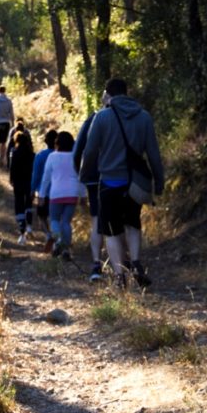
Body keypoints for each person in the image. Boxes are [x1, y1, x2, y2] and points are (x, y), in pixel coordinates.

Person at [78, 78, 164, 287]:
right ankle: (135, 262)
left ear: (108, 93)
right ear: (127, 92)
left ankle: (119, 276)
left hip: (109, 182)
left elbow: (89, 151)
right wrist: (159, 181)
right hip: (135, 183)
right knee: (133, 223)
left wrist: (84, 174)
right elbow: (153, 153)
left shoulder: (102, 117)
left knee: (111, 229)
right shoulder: (144, 117)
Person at [40, 131, 85, 260]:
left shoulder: (52, 157)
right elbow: (80, 177)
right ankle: (66, 250)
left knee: (54, 219)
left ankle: (58, 240)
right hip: (72, 194)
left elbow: (46, 178)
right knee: (66, 222)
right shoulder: (76, 157)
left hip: (56, 194)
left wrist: (42, 195)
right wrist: (83, 195)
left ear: (57, 143)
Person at [74, 106, 106, 282]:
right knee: (120, 221)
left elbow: (79, 150)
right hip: (123, 177)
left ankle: (96, 264)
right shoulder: (133, 115)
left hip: (95, 179)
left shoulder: (94, 118)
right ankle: (127, 264)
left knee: (97, 222)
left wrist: (83, 175)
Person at [32, 129, 59, 251]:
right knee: (56, 218)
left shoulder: (40, 155)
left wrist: (32, 189)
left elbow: (36, 174)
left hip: (44, 192)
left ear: (46, 141)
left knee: (42, 216)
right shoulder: (61, 155)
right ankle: (57, 240)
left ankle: (48, 235)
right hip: (58, 192)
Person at [9, 130, 36, 245]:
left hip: (18, 183)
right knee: (29, 204)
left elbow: (12, 168)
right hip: (29, 182)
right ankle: (29, 225)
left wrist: (11, 179)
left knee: (19, 205)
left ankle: (22, 233)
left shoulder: (14, 153)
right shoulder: (33, 155)